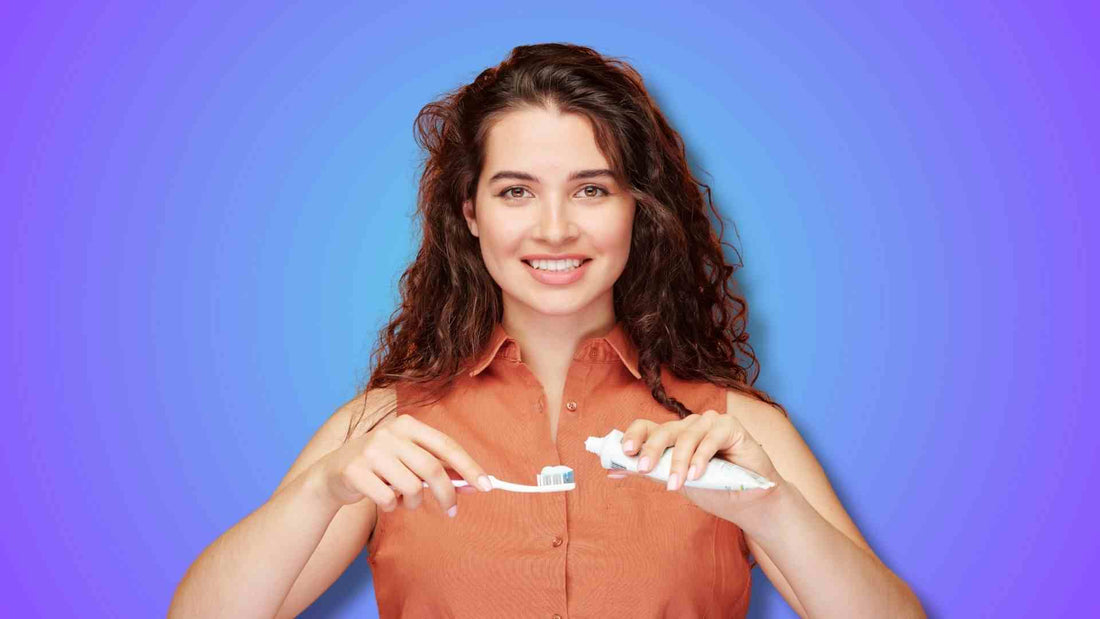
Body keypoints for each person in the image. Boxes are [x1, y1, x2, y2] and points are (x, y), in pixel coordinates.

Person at [169, 43, 925, 618]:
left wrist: (769, 508)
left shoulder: (730, 430)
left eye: (591, 189)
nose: (555, 229)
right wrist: (320, 490)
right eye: (516, 191)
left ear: (638, 209)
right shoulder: (387, 431)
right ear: (470, 213)